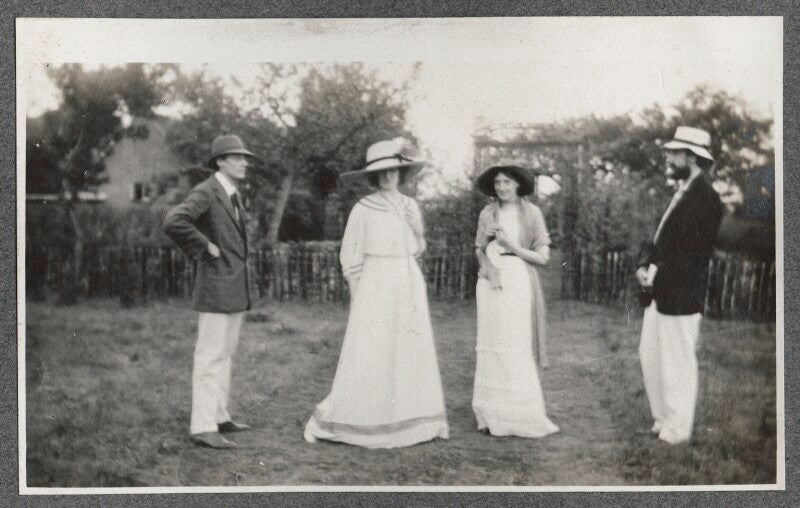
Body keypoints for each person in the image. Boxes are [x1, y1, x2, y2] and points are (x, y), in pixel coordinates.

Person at [303, 137, 449, 448]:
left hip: (407, 278)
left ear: (401, 172)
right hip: (375, 282)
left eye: (393, 171)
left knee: (408, 346)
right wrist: (358, 296)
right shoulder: (363, 208)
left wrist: (417, 229)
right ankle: (363, 418)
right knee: (371, 348)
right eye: (381, 173)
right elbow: (351, 256)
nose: (388, 177)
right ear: (374, 176)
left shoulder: (411, 206)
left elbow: (418, 247)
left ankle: (411, 419)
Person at [163, 134, 255, 449]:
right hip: (216, 286)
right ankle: (202, 427)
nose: (244, 162)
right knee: (209, 357)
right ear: (219, 162)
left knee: (225, 356)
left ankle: (218, 416)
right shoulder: (207, 191)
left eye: (245, 157)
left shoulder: (232, 194)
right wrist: (206, 248)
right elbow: (175, 221)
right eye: (236, 156)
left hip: (233, 288)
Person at [636, 126, 724, 445]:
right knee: (651, 355)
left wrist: (658, 273)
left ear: (691, 157)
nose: (669, 158)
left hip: (682, 294)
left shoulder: (707, 198)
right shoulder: (682, 192)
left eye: (674, 153)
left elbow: (692, 253)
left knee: (677, 361)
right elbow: (663, 240)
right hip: (660, 292)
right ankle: (662, 419)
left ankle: (678, 428)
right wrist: (646, 266)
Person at [472, 161, 559, 438]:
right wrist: (485, 254)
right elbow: (478, 249)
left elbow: (543, 256)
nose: (501, 188)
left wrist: (512, 247)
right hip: (490, 280)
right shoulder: (487, 212)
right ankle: (489, 413)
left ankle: (520, 414)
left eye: (507, 182)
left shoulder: (531, 212)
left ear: (518, 185)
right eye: (497, 183)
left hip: (518, 278)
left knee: (514, 341)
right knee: (491, 341)